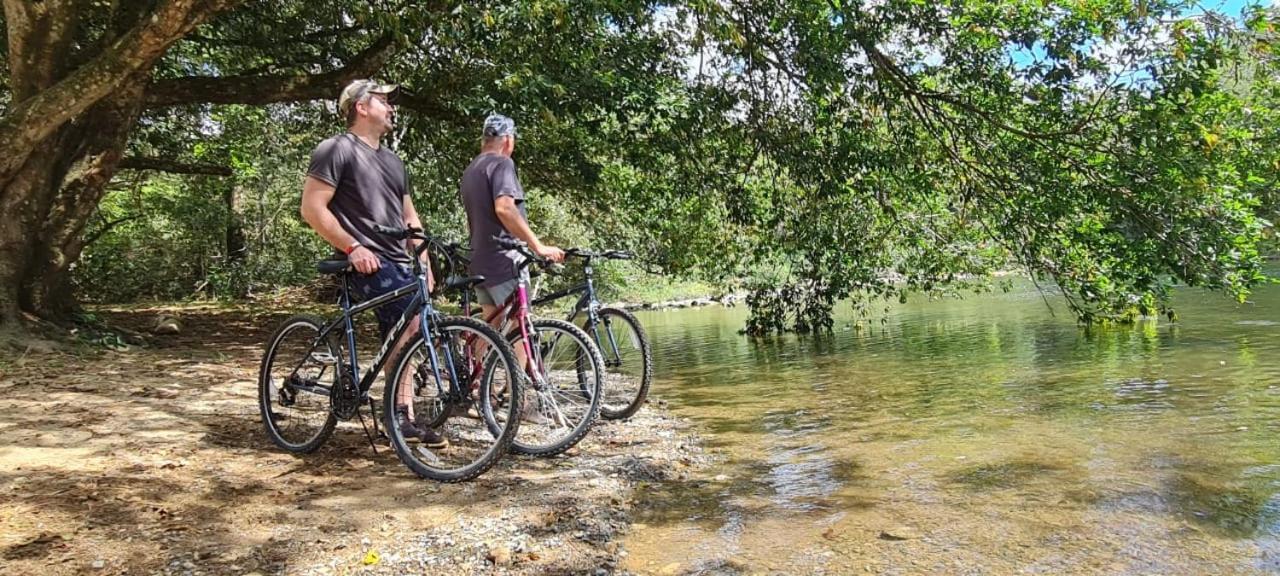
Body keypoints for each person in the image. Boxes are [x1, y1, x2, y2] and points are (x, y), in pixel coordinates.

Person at [299, 78, 446, 449]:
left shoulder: (394, 162)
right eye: (383, 100)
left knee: (414, 327)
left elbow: (409, 217)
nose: (391, 106)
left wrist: (425, 261)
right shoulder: (335, 150)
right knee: (410, 324)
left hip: (399, 263)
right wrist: (352, 248)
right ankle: (399, 417)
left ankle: (400, 414)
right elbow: (312, 208)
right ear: (361, 107)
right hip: (361, 263)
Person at [459, 114, 565, 322]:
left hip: (480, 261)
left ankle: (475, 357)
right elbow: (504, 208)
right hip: (506, 262)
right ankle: (525, 357)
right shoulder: (502, 164)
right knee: (520, 331)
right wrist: (539, 247)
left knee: (491, 331)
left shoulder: (471, 170)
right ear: (508, 140)